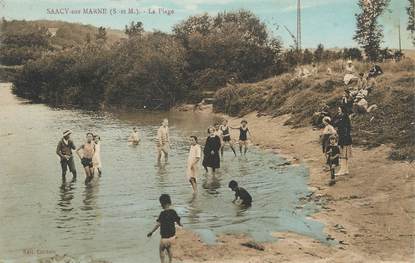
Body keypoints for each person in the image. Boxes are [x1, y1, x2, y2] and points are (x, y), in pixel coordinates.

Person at [147, 194, 182, 263]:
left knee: (161, 250)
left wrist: (151, 232)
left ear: (162, 204)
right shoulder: (173, 212)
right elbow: (178, 221)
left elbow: (158, 224)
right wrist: (180, 225)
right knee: (169, 250)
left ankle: (162, 262)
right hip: (172, 237)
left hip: (164, 238)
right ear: (170, 202)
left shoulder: (162, 214)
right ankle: (170, 261)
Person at [333, 106, 352, 175]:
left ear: (342, 110)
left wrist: (337, 117)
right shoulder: (344, 117)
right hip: (346, 138)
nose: (338, 111)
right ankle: (346, 169)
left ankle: (342, 170)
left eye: (339, 110)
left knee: (343, 155)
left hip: (344, 138)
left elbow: (335, 123)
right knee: (345, 155)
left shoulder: (343, 118)